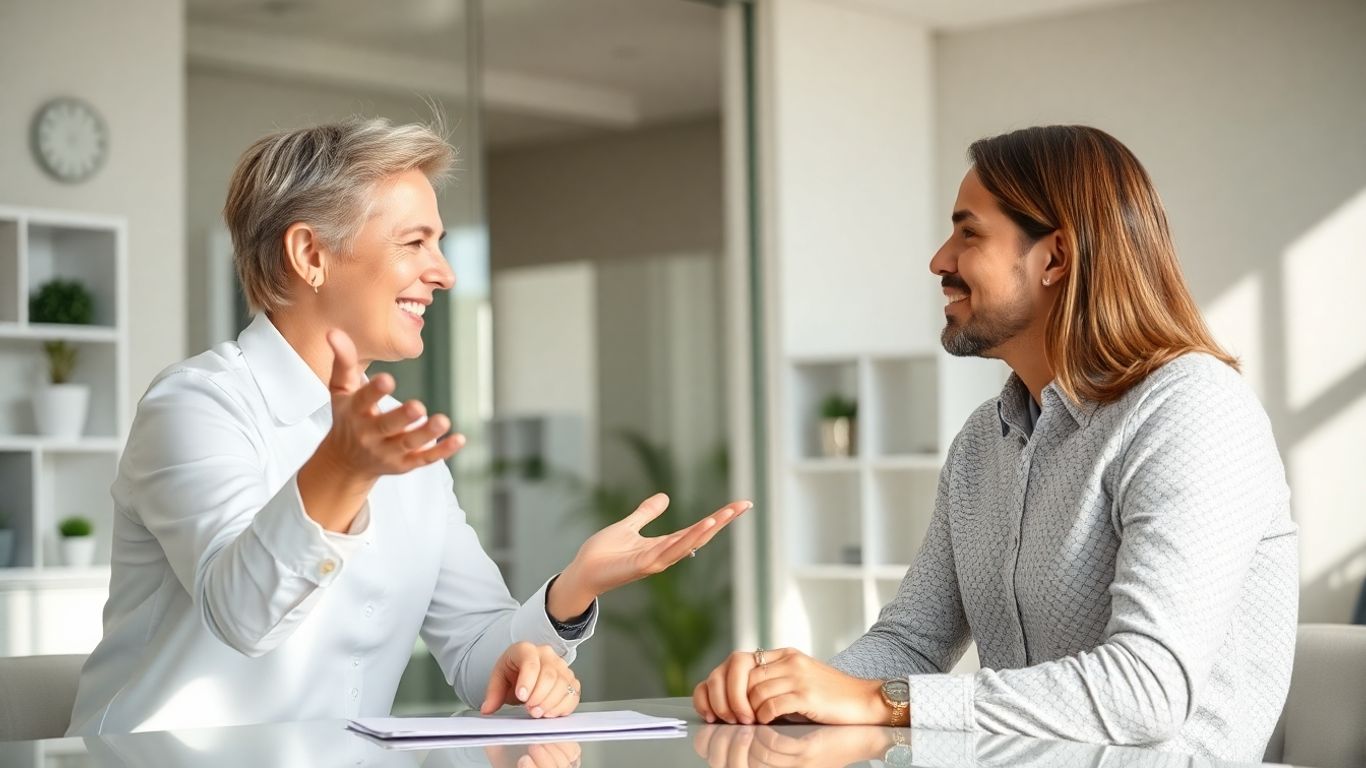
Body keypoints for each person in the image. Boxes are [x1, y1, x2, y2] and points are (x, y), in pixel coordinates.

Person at [68, 117, 749, 735]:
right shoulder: (196, 406)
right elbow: (243, 615)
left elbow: (480, 658)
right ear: (310, 255)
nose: (445, 273)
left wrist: (574, 590)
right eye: (415, 242)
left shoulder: (401, 440)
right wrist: (341, 469)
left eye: (440, 243)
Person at [693, 125, 1297, 762]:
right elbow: (913, 641)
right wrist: (786, 692)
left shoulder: (1191, 408)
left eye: (968, 233)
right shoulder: (986, 439)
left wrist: (883, 700)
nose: (939, 261)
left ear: (1054, 258)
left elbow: (1145, 690)